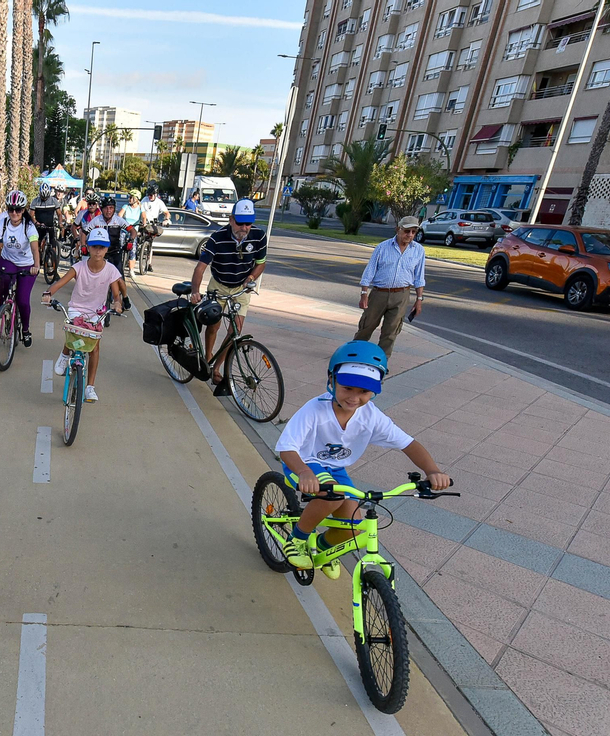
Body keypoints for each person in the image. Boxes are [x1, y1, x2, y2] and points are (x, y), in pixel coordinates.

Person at [275, 341, 452, 572]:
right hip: (304, 463)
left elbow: (408, 444)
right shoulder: (314, 410)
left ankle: (322, 548)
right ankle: (297, 539)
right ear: (332, 380)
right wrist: (304, 472)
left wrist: (432, 471)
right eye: (347, 388)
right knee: (334, 495)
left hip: (336, 470)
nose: (354, 398)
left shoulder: (371, 416)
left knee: (354, 527)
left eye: (364, 392)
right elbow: (287, 448)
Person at [187, 198, 266, 393]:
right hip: (219, 286)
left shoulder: (259, 236)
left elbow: (261, 262)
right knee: (213, 325)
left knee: (235, 331)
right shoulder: (218, 237)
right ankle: (206, 358)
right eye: (240, 223)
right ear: (231, 220)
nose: (245, 227)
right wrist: (195, 291)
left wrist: (251, 277)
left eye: (248, 223)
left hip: (241, 288)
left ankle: (217, 366)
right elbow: (200, 268)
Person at [42, 227, 124, 403]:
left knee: (94, 347)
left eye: (102, 247)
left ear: (107, 249)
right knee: (73, 330)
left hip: (96, 312)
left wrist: (117, 303)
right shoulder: (79, 267)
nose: (98, 251)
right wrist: (49, 293)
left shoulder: (110, 270)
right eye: (95, 246)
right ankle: (65, 356)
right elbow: (60, 282)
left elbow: (116, 294)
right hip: (77, 308)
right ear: (88, 247)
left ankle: (90, 387)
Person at [355, 216, 426, 362]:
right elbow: (369, 271)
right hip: (379, 294)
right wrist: (364, 294)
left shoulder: (418, 251)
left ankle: (380, 361)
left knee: (391, 331)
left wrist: (419, 300)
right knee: (366, 326)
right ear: (398, 229)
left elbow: (419, 277)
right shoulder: (383, 247)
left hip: (401, 295)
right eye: (407, 231)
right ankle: (355, 355)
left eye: (414, 232)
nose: (410, 235)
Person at [0, 189, 41, 347]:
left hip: (27, 264)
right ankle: (2, 307)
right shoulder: (3, 222)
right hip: (8, 260)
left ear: (23, 210)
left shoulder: (28, 226)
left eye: (18, 210)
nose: (14, 213)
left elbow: (34, 248)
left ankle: (25, 329)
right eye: (11, 209)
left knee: (23, 300)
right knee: (3, 285)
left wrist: (36, 265)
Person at [138, 186, 169, 273]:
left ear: (155, 194)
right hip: (143, 222)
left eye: (151, 195)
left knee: (150, 243)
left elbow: (166, 213)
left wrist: (166, 220)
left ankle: (149, 263)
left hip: (152, 224)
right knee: (137, 236)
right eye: (148, 195)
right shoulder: (144, 200)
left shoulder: (159, 202)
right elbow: (139, 208)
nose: (149, 196)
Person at [31, 183, 62, 264]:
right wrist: (36, 222)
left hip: (50, 225)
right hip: (39, 226)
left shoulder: (54, 201)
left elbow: (59, 214)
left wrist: (60, 223)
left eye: (46, 197)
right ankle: (37, 257)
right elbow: (31, 215)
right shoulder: (35, 201)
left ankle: (53, 261)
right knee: (37, 242)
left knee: (53, 242)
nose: (44, 199)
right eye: (42, 197)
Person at [119, 190, 143, 274]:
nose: (129, 199)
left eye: (131, 197)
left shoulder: (140, 207)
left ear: (136, 199)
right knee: (120, 244)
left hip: (134, 229)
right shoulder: (126, 206)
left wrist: (143, 223)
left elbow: (144, 216)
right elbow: (120, 215)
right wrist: (119, 221)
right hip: (125, 228)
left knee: (133, 249)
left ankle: (131, 270)